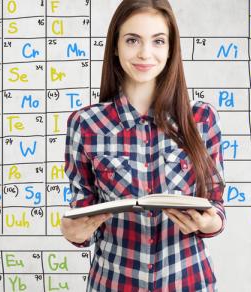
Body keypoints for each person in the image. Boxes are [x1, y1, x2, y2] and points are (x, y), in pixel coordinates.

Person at [60, 0, 226, 291]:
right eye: (132, 40)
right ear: (115, 46)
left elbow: (215, 202)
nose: (145, 53)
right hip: (113, 283)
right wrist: (73, 231)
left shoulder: (202, 119)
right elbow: (81, 209)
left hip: (190, 282)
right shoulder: (84, 124)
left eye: (158, 41)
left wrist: (210, 224)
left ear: (171, 48)